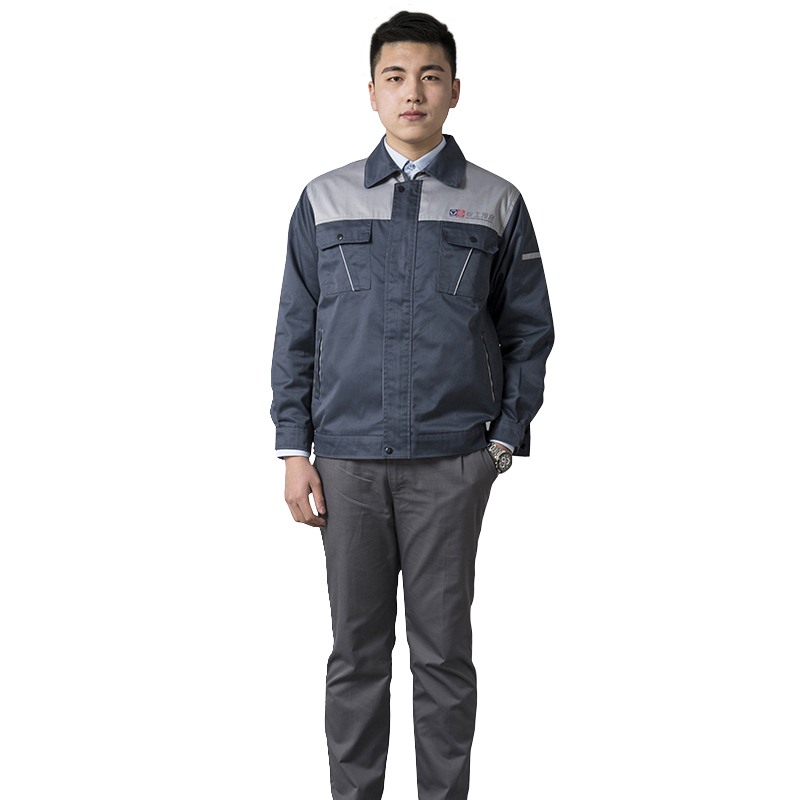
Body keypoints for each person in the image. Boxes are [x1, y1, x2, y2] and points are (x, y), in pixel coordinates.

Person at [270, 11, 555, 799]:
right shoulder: (323, 200)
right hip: (347, 463)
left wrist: (502, 443)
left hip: (451, 463)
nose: (413, 93)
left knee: (443, 659)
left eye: (430, 77)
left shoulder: (495, 201)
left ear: (455, 90)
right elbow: (296, 330)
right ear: (371, 91)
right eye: (395, 77)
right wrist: (293, 450)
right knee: (356, 656)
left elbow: (529, 330)